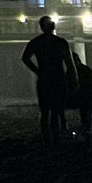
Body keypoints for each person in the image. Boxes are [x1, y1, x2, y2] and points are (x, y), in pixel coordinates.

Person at [21, 16, 77, 145]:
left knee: (45, 111)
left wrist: (37, 71)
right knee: (57, 110)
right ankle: (56, 137)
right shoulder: (60, 42)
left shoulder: (36, 42)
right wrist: (74, 78)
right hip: (58, 78)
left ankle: (46, 138)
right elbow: (69, 62)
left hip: (44, 79)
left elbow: (25, 58)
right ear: (53, 26)